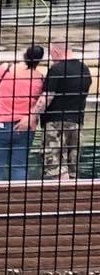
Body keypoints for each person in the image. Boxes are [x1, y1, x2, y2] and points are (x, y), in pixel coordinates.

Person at [0, 44, 46, 183]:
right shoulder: (39, 78)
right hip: (24, 127)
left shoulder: (5, 69)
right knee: (19, 167)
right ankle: (19, 200)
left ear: (24, 54)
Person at [36, 43, 92, 180]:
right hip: (77, 122)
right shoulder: (84, 69)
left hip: (55, 124)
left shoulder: (56, 69)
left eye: (50, 53)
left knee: (56, 167)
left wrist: (32, 116)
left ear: (55, 51)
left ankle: (59, 199)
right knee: (72, 167)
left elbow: (47, 97)